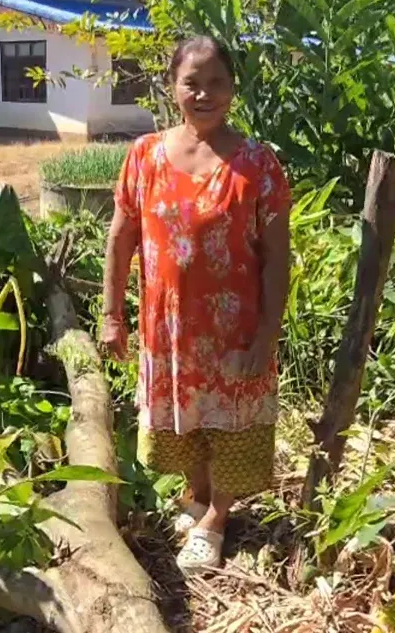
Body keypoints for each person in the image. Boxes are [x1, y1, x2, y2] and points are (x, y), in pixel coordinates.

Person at [100, 35, 292, 573]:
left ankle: (216, 519)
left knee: (229, 426)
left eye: (216, 83)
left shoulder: (257, 165)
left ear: (232, 89)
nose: (204, 94)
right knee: (186, 424)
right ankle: (199, 495)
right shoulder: (144, 156)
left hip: (234, 331)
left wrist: (267, 334)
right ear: (172, 87)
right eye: (192, 83)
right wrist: (112, 315)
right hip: (169, 332)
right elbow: (121, 237)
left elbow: (277, 258)